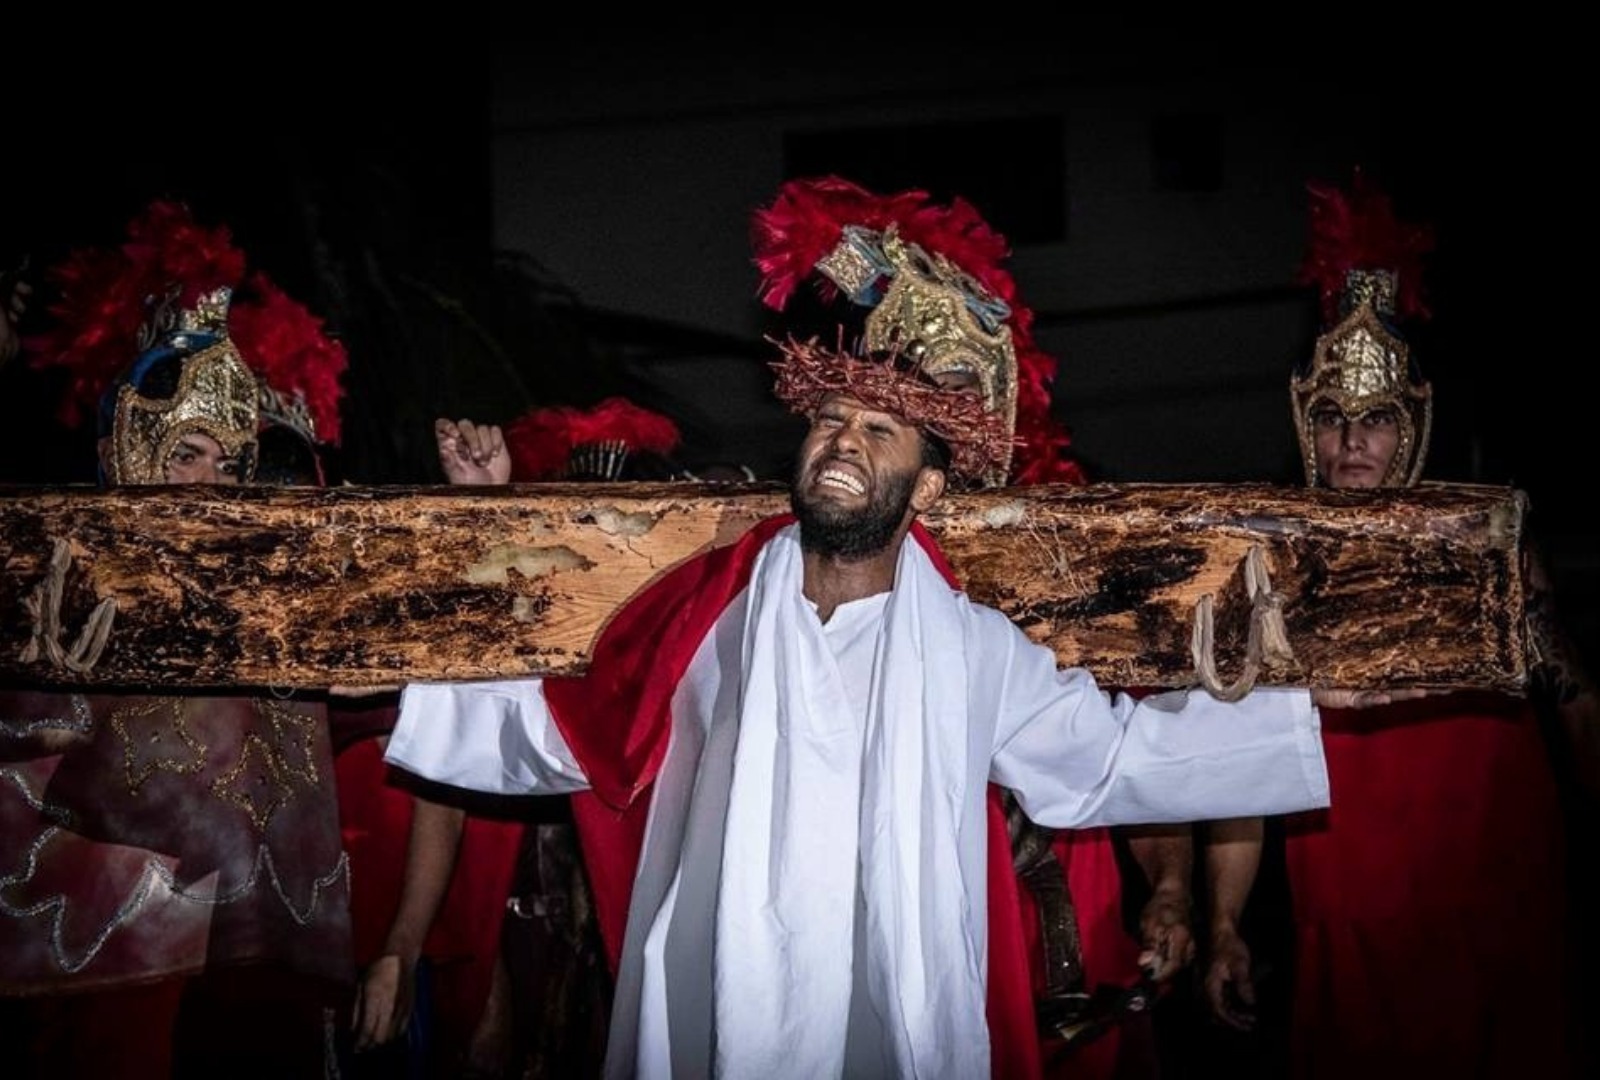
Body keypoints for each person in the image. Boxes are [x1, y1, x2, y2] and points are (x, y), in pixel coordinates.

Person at [382, 185, 1403, 1080]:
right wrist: (404, 641)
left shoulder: (971, 646)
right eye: (827, 419)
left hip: (894, 1007)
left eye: (878, 431)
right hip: (724, 994)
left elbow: (1108, 764)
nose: (840, 440)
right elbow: (564, 730)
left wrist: (1293, 703)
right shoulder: (707, 612)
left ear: (925, 483)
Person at [749, 174, 1195, 1079]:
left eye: (934, 404)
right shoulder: (782, 579)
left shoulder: (1055, 565)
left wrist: (1176, 891)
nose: (887, 426)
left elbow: (1118, 746)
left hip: (1028, 884)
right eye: (853, 417)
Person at [1194, 171, 1594, 1078]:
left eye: (1375, 419)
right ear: (1306, 423)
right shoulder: (1270, 572)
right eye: (1333, 417)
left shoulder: (1494, 553)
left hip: (1501, 903)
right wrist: (1220, 926)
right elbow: (1240, 772)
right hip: (1348, 917)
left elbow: (1576, 701)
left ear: (1413, 423)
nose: (1352, 443)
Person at [0, 199, 355, 1079]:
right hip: (130, 962)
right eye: (190, 450)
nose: (213, 481)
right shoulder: (64, 578)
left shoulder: (276, 588)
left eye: (233, 463)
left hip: (270, 959)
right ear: (132, 447)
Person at [351, 397, 681, 1078]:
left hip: (632, 950)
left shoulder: (680, 653)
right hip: (509, 937)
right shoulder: (527, 634)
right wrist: (404, 947)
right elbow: (449, 766)